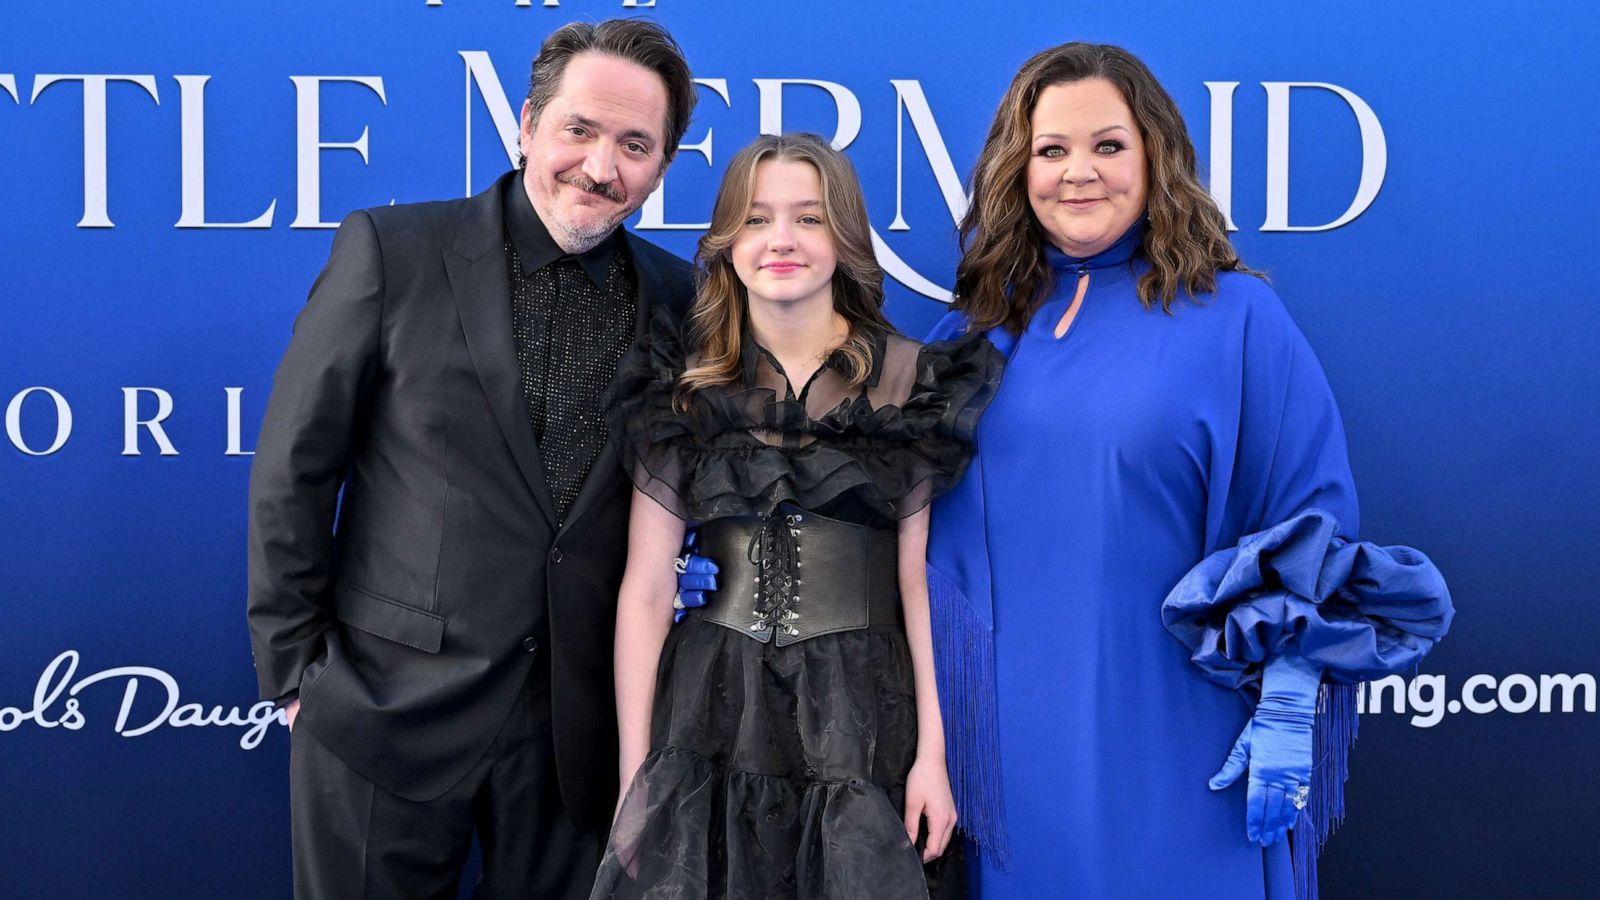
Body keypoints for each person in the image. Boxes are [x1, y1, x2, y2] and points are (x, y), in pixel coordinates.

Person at [921, 42, 1455, 900]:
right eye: (1051, 150)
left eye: (1107, 145)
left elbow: (1309, 516)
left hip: (1182, 739)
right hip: (1008, 758)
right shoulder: (971, 334)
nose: (1077, 173)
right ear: (1018, 169)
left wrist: (1289, 684)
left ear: (1155, 155)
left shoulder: (1238, 317)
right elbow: (911, 534)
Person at [245, 20, 697, 899]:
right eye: (579, 129)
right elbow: (294, 468)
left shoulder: (684, 301)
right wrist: (298, 671)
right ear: (526, 124)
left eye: (635, 145)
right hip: (384, 712)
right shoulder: (394, 251)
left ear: (662, 165)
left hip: (578, 740)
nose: (602, 167)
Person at [589, 133, 1002, 900]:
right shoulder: (678, 385)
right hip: (713, 709)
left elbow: (919, 585)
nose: (781, 239)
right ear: (725, 242)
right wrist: (633, 782)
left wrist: (934, 758)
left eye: (809, 219)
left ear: (845, 239)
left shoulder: (912, 380)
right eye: (757, 218)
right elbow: (645, 589)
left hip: (866, 710)